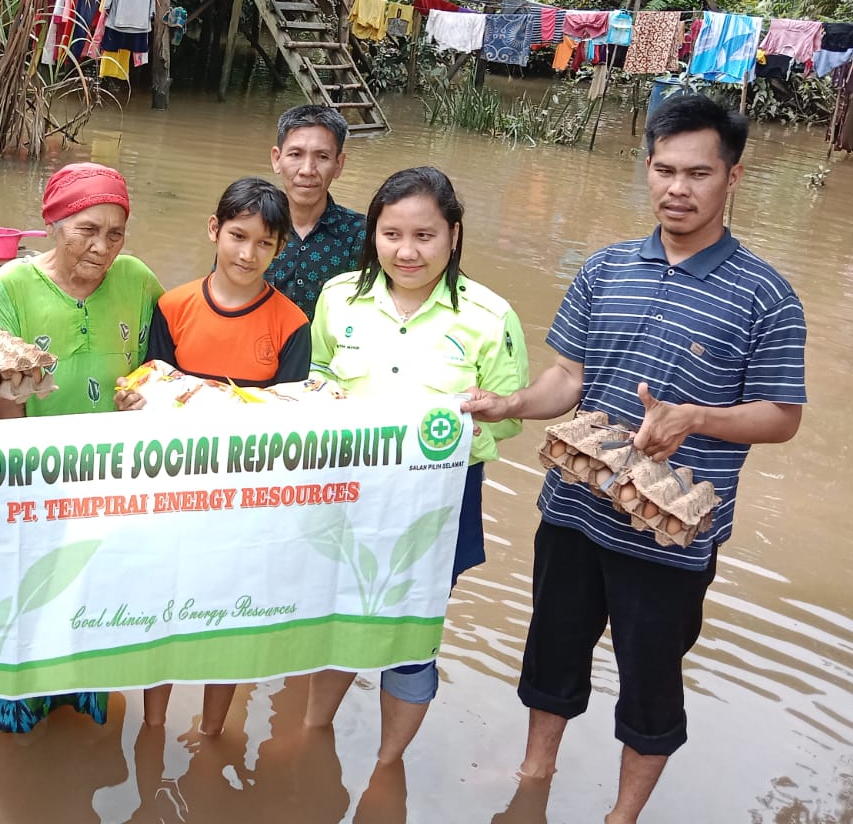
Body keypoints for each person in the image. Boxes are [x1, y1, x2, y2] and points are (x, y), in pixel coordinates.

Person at [463, 94, 806, 824]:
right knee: (550, 655)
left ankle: (622, 816)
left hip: (667, 538)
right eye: (663, 169)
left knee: (651, 685)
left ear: (733, 178)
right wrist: (512, 403)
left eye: (697, 173)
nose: (676, 189)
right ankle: (535, 779)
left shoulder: (767, 297)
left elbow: (781, 418)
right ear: (646, 169)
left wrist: (697, 419)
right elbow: (568, 381)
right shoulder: (604, 268)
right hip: (573, 513)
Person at [300, 167, 528, 757]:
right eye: (391, 233)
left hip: (440, 501)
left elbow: (507, 416)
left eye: (424, 236)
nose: (406, 251)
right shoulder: (338, 298)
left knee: (411, 630)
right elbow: (318, 375)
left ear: (453, 234)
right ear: (372, 232)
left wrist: (441, 437)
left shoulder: (490, 316)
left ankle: (386, 767)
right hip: (347, 490)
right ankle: (310, 737)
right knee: (337, 616)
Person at [0, 161, 164, 732]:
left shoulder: (138, 281)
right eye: (87, 229)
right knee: (30, 591)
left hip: (113, 482)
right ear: (53, 222)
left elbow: (160, 366)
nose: (102, 247)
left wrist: (146, 393)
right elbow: (5, 403)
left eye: (115, 232)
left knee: (97, 591)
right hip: (36, 480)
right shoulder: (11, 288)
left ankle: (80, 691)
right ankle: (15, 701)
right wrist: (34, 490)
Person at [133, 176, 311, 735]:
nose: (247, 253)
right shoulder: (173, 306)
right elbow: (150, 386)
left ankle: (211, 731)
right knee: (161, 609)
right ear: (215, 230)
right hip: (172, 492)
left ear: (280, 249)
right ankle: (154, 723)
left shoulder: (292, 323)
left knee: (233, 616)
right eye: (238, 235)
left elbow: (291, 420)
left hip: (247, 499)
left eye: (264, 243)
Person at [264, 104, 367, 320]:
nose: (307, 170)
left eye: (322, 157)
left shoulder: (361, 235)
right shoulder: (252, 226)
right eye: (295, 154)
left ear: (339, 165)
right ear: (277, 159)